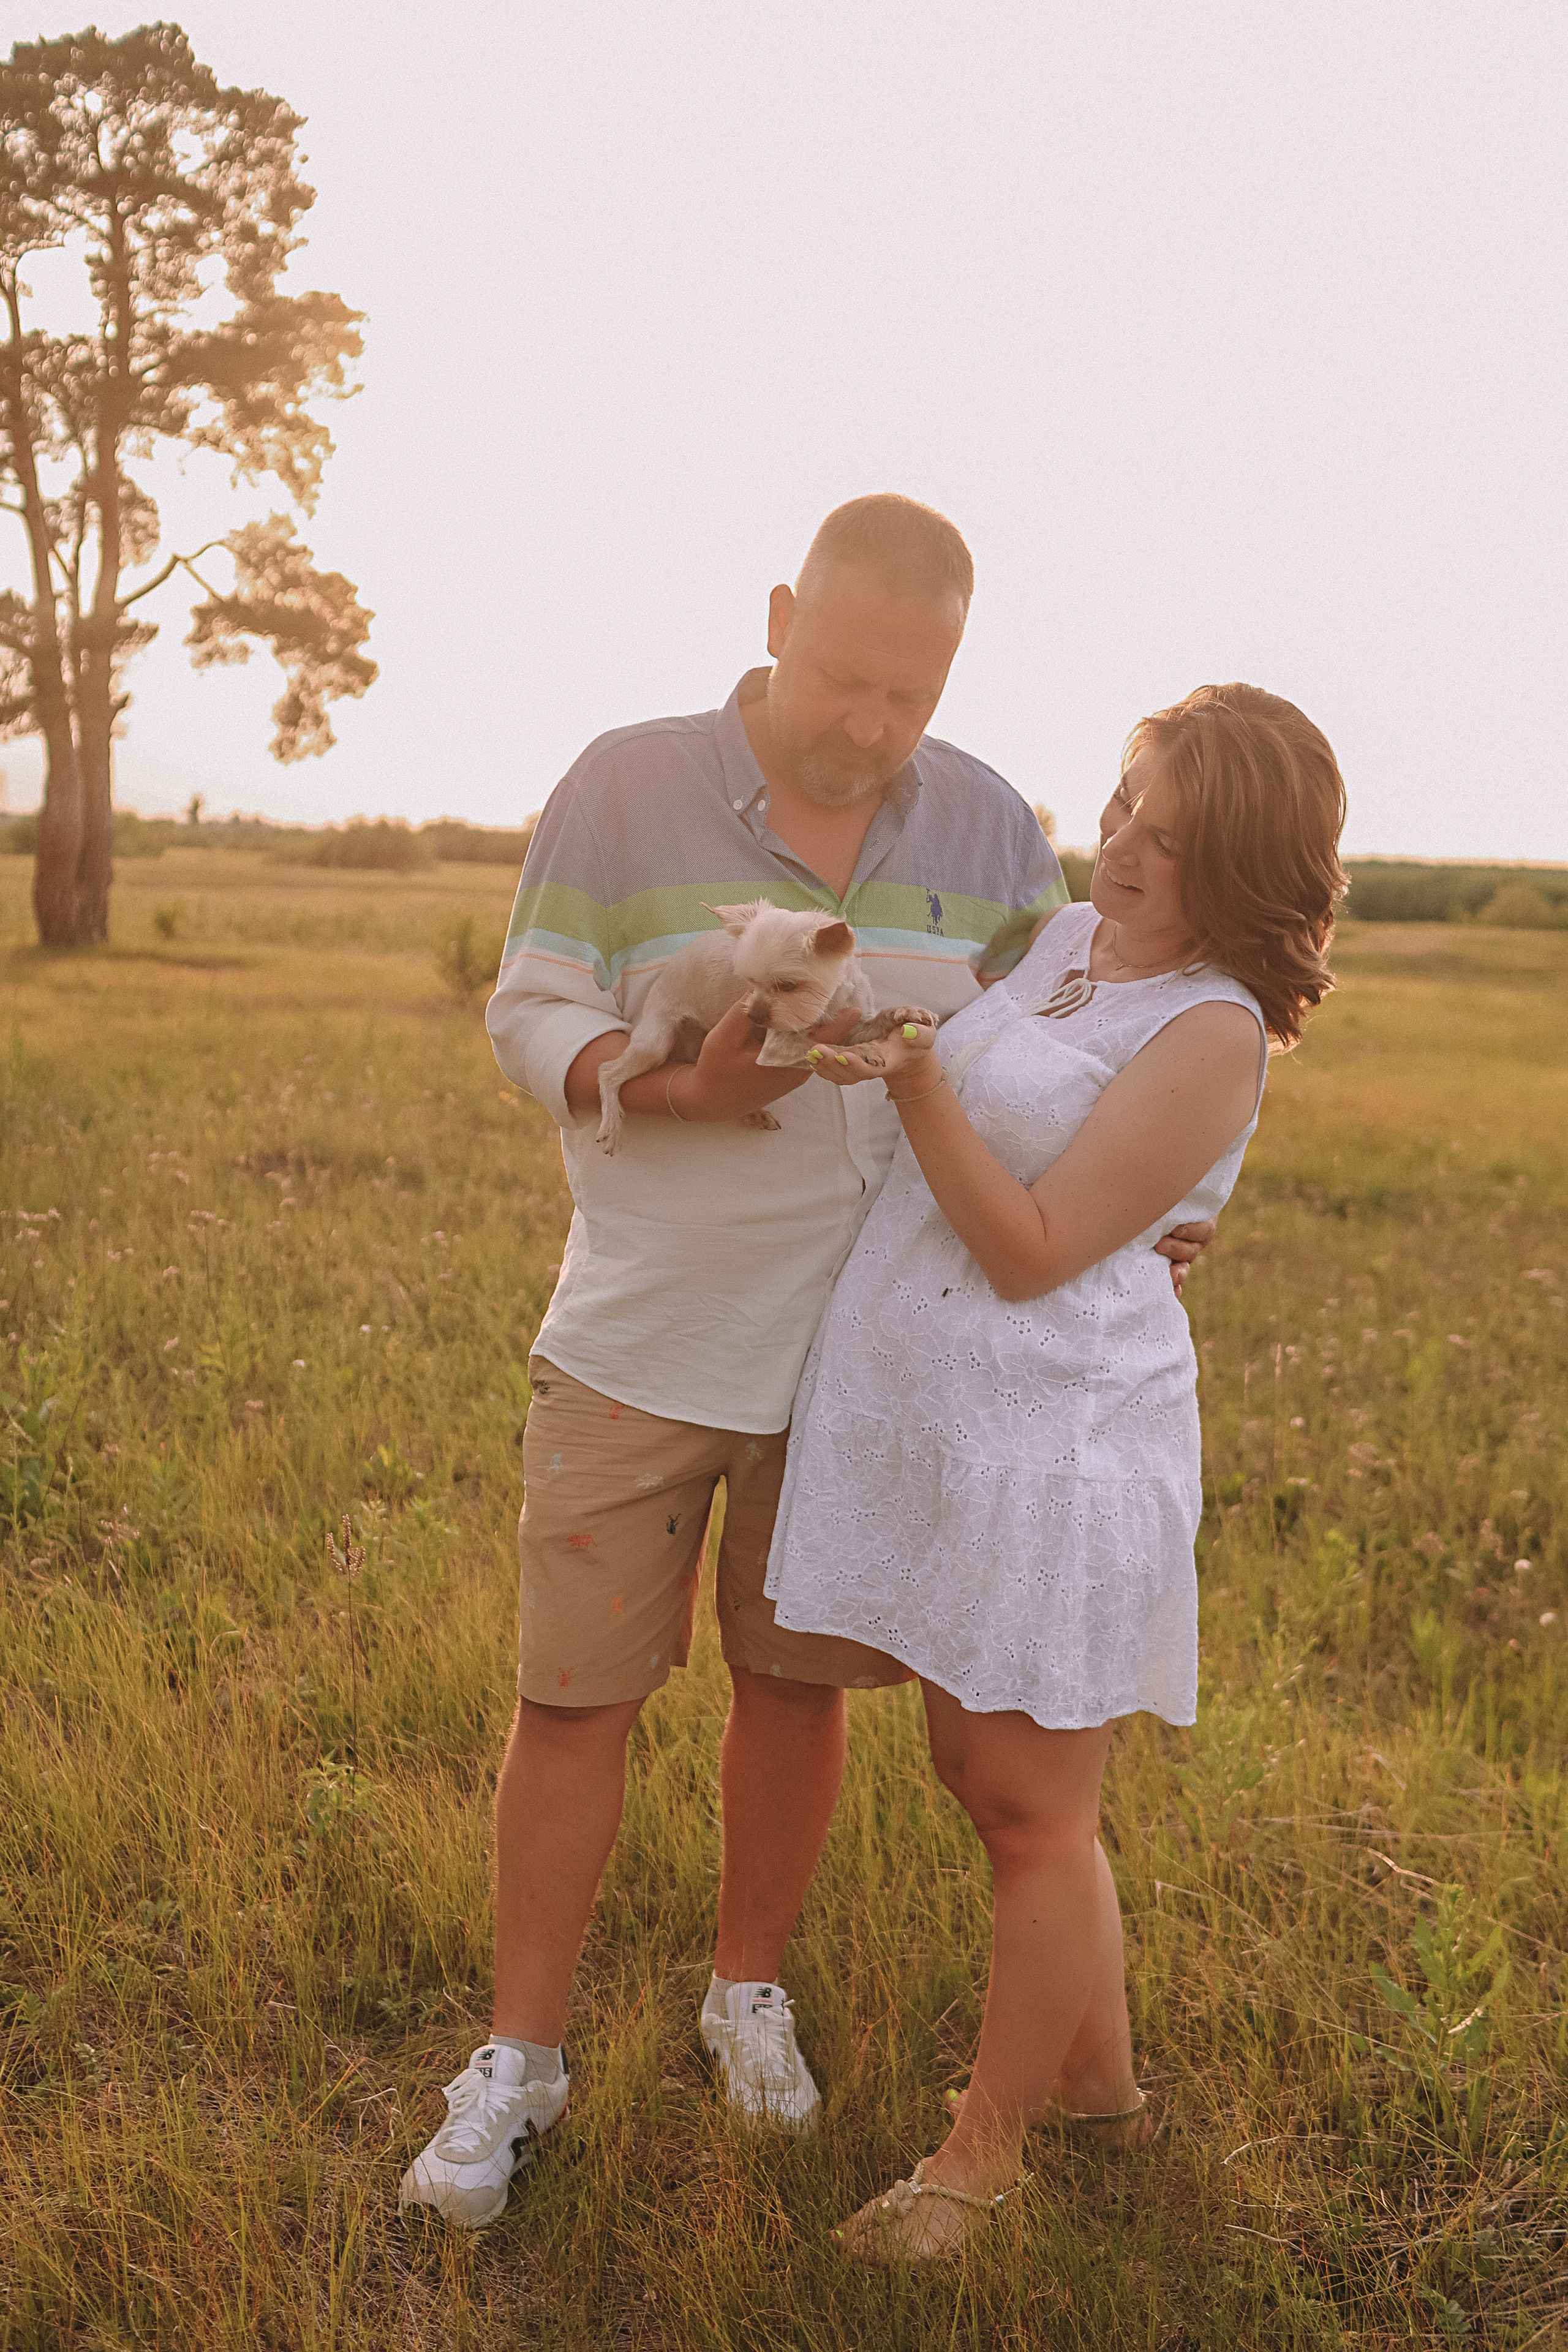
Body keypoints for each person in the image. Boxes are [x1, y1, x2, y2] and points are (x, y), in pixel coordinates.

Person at [399, 496, 1210, 2228]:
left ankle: (744, 1995)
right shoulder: (626, 780)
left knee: (792, 1690)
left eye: (910, 695)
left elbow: (1082, 1026)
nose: (872, 724)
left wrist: (1156, 1199)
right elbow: (527, 1004)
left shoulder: (995, 823)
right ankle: (519, 2060)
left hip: (871, 1356)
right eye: (844, 678)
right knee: (575, 1696)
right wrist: (671, 1086)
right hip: (645, 1331)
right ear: (778, 615)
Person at [765, 682, 1348, 2259]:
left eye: (1171, 841)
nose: (1124, 854)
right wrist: (873, 1043)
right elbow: (997, 1112)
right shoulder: (1060, 947)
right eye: (1121, 813)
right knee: (985, 1779)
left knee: (1031, 1808)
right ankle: (1099, 2087)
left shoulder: (1210, 1030)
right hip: (957, 1426)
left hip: (1062, 1443)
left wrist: (916, 1081)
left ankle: (978, 2160)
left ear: (1248, 869)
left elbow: (1028, 1249)